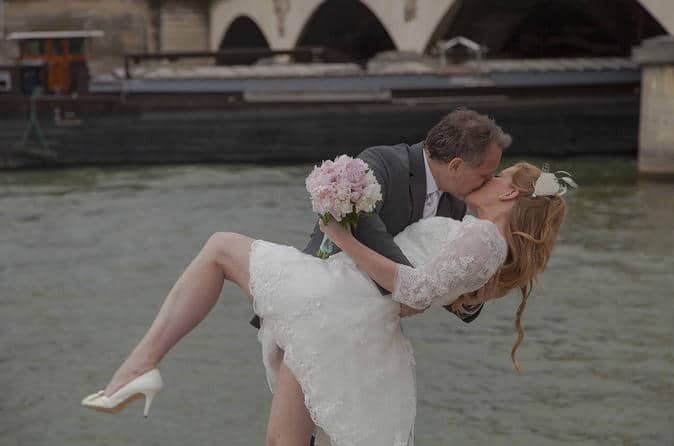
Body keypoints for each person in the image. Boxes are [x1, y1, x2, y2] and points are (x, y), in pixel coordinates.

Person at [81, 161, 569, 446]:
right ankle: (138, 370)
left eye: (496, 173)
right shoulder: (479, 238)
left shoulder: (484, 237)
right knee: (283, 442)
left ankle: (139, 365)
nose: (483, 175)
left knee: (219, 249)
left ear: (508, 191)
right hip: (345, 315)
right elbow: (423, 296)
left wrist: (344, 234)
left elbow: (414, 291)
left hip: (338, 297)